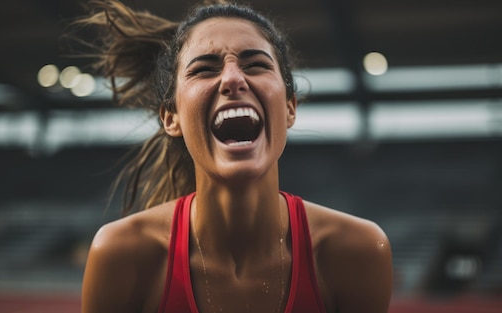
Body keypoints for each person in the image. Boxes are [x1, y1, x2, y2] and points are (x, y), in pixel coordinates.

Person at [78, 1, 393, 312]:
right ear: (170, 118)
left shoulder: (356, 251)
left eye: (255, 64)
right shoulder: (122, 255)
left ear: (289, 108)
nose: (232, 79)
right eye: (203, 69)